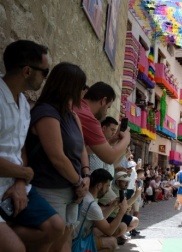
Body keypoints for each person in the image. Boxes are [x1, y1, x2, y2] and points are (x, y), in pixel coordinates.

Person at [0, 40, 64, 252]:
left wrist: (20, 180)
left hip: (15, 182)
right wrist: (25, 172)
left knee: (55, 227)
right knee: (16, 248)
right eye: (45, 72)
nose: (46, 79)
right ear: (27, 71)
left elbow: (20, 148)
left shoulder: (24, 105)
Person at [25, 62, 91, 252]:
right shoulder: (46, 113)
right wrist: (79, 182)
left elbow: (82, 149)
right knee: (47, 246)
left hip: (72, 190)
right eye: (82, 87)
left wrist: (86, 175)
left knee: (64, 244)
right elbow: (57, 157)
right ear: (69, 86)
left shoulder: (72, 115)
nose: (84, 92)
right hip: (49, 189)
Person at [74, 82, 131, 166]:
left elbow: (85, 150)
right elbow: (109, 157)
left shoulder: (76, 105)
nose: (106, 113)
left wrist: (112, 140)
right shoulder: (89, 119)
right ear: (103, 101)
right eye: (108, 107)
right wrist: (126, 139)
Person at [73, 169, 128, 252]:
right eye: (107, 186)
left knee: (116, 230)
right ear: (99, 186)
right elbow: (109, 231)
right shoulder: (91, 204)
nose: (108, 190)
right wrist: (122, 212)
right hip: (76, 241)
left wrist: (113, 206)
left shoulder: (88, 197)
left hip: (80, 234)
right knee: (111, 242)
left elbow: (100, 217)